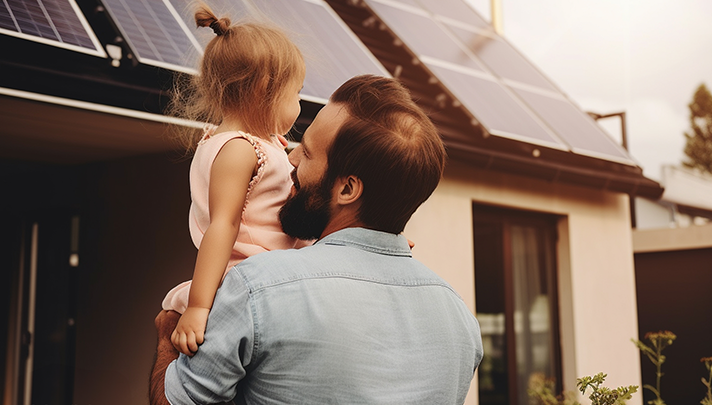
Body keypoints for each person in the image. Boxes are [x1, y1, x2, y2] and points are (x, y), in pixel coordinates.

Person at [150, 75, 483, 405]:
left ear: (347, 189)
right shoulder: (461, 321)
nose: (291, 161)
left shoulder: (256, 288)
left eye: (307, 153)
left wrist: (167, 337)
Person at [161, 2, 308, 358]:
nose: (300, 104)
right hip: (250, 275)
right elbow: (222, 226)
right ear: (263, 89)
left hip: (271, 268)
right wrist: (199, 306)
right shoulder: (239, 150)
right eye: (296, 93)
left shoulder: (263, 143)